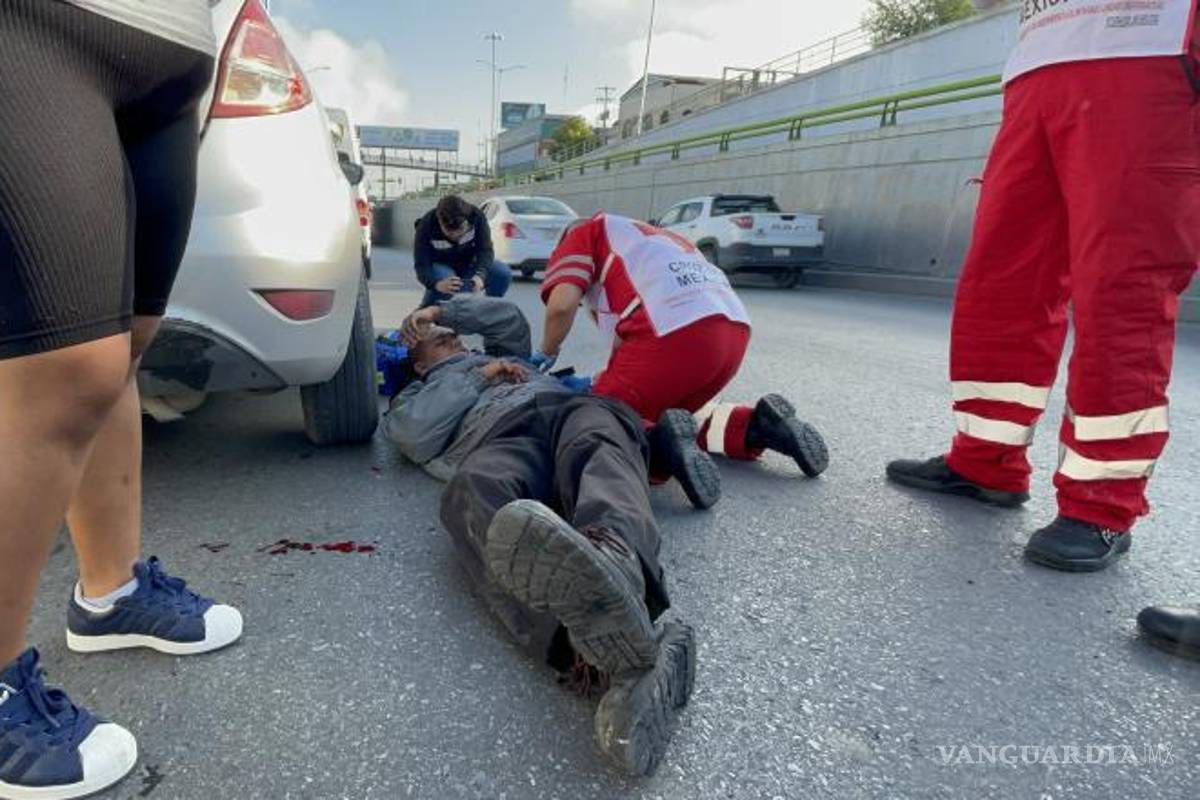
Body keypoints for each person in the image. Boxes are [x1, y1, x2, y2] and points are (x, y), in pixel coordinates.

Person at [0, 2, 244, 798]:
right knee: (61, 364)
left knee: (125, 340)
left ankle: (109, 594)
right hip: (37, 24)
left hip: (171, 61)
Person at [886, 0, 1200, 572]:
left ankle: (1102, 503)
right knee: (1003, 285)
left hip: (1149, 46)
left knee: (1121, 291)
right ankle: (985, 462)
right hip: (1042, 60)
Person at [382, 295, 701, 775]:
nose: (450, 340)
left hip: (571, 407)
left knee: (600, 444)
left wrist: (441, 314)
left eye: (451, 335)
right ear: (418, 362)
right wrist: (477, 377)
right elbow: (412, 434)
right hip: (501, 437)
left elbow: (508, 318)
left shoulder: (496, 350)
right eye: (434, 341)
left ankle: (616, 561)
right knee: (470, 492)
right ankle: (592, 646)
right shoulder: (417, 393)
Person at [535, 212, 829, 509]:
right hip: (730, 333)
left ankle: (659, 447)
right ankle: (758, 426)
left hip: (672, 334)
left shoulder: (585, 232)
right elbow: (626, 342)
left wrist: (545, 353)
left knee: (597, 418)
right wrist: (609, 380)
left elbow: (561, 306)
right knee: (676, 419)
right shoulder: (653, 240)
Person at [413, 194, 511, 308]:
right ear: (439, 221)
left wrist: (480, 275)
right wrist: (436, 284)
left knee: (501, 272)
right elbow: (421, 265)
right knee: (449, 282)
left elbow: (485, 251)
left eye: (460, 230)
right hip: (441, 268)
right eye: (449, 233)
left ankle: (491, 310)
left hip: (469, 265)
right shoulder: (426, 225)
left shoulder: (477, 217)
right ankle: (429, 311)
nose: (456, 236)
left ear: (467, 220)